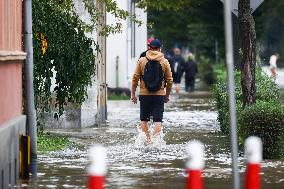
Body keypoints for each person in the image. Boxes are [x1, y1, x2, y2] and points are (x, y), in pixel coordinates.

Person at [131, 39, 173, 145]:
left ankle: (148, 141)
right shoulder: (164, 61)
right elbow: (170, 80)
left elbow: (135, 78)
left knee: (144, 119)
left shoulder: (142, 60)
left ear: (149, 47)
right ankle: (155, 140)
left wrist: (133, 94)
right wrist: (167, 95)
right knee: (157, 120)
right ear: (160, 48)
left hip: (144, 95)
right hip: (159, 95)